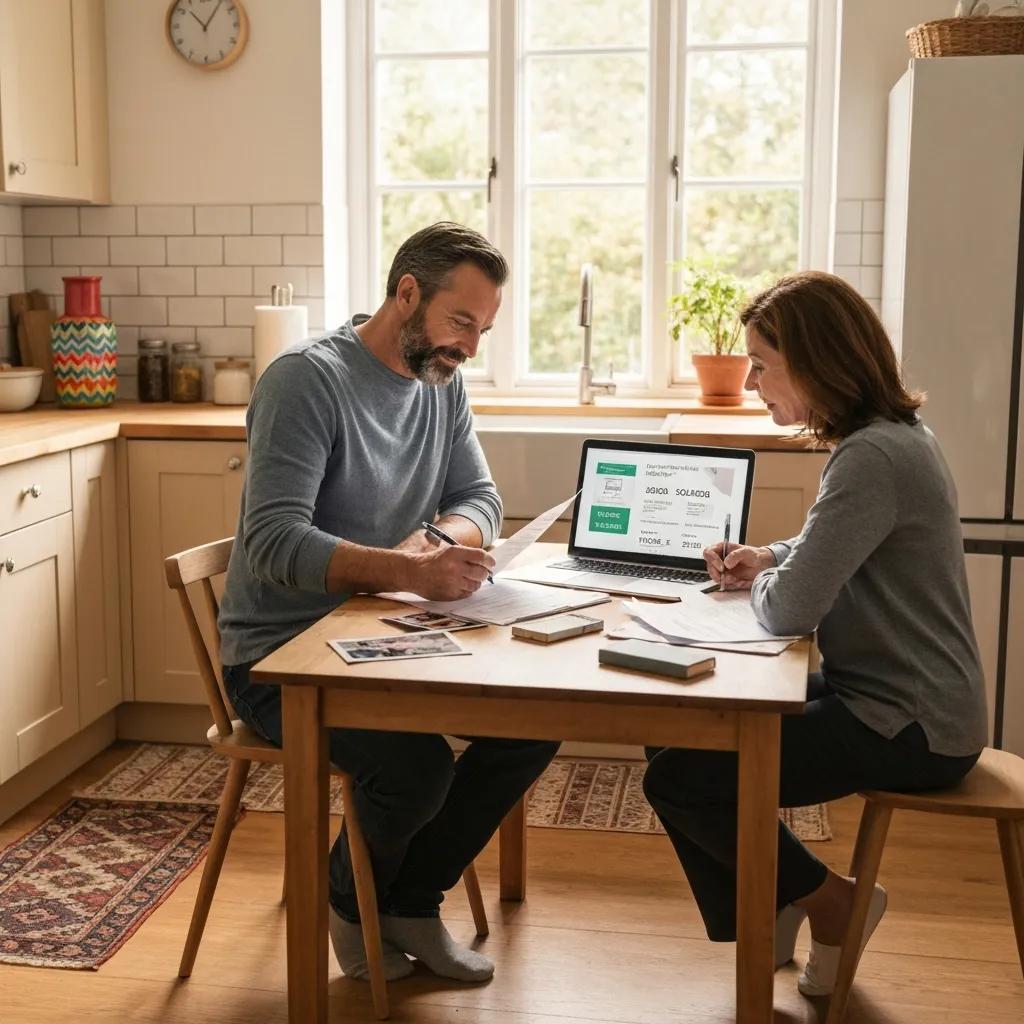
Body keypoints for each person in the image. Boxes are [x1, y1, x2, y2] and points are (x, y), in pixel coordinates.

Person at [217, 222, 559, 984]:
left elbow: (480, 497)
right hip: (280, 656)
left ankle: (406, 899)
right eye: (460, 321)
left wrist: (437, 543)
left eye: (483, 329)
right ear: (406, 293)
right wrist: (409, 574)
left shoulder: (441, 384)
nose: (470, 345)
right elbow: (273, 540)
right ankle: (351, 902)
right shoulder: (305, 381)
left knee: (535, 725)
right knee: (415, 768)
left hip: (384, 626)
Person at [642, 271, 987, 996]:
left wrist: (764, 583)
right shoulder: (891, 439)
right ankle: (772, 906)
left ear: (815, 360)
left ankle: (832, 905)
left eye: (763, 364)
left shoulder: (872, 457)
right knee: (680, 726)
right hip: (900, 701)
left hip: (910, 725)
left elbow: (788, 612)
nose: (754, 378)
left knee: (682, 777)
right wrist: (766, 556)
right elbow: (827, 546)